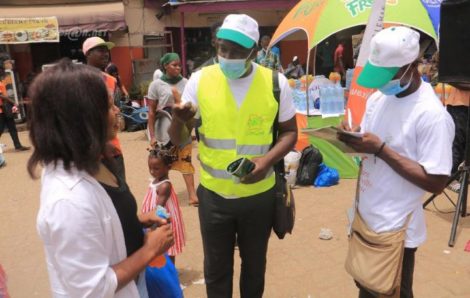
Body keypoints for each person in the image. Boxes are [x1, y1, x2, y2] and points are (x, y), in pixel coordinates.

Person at [168, 14, 297, 297]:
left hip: (259, 197)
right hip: (214, 199)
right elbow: (177, 141)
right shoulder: (199, 81)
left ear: (253, 51)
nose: (227, 56)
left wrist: (266, 162)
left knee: (254, 268)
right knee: (216, 271)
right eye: (222, 48)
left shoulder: (276, 83)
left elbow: (290, 133)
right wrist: (179, 121)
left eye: (237, 51)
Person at [28, 59, 174, 297]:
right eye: (108, 106)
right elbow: (93, 289)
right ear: (82, 118)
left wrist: (134, 221)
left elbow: (98, 224)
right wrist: (150, 250)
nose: (117, 111)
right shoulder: (68, 200)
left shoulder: (92, 158)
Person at [338, 26, 454, 298]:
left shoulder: (431, 115)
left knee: (391, 292)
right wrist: (352, 137)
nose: (379, 84)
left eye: (386, 76)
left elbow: (436, 182)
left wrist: (380, 149)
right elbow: (368, 142)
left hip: (397, 232)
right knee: (366, 288)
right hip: (366, 220)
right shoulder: (380, 98)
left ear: (411, 67)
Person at [147, 52, 198, 206]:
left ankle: (192, 195)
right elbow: (151, 111)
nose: (178, 67)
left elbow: (191, 107)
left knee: (186, 159)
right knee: (163, 163)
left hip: (182, 129)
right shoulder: (156, 85)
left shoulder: (186, 82)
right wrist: (153, 136)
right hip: (163, 130)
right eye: (174, 65)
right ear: (165, 66)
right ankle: (163, 193)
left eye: (179, 65)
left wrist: (191, 129)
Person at [83, 36, 126, 180]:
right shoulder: (77, 80)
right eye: (100, 50)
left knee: (120, 194)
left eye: (107, 51)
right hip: (88, 151)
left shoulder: (111, 80)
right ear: (88, 54)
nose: (106, 54)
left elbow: (114, 110)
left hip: (113, 149)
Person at [142, 146, 186, 264]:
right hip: (156, 218)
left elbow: (159, 209)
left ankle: (170, 273)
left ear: (168, 167)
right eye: (150, 168)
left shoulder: (164, 186)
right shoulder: (156, 179)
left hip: (163, 220)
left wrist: (153, 226)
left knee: (168, 249)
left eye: (156, 168)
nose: (152, 171)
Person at [445, 86, 470, 192]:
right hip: (460, 104)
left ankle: (463, 175)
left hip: (462, 104)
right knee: (457, 142)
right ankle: (450, 177)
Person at [0, 63, 29, 152]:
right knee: (1, 129)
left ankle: (18, 145)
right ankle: (18, 146)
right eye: (2, 71)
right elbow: (2, 96)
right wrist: (13, 102)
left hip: (5, 108)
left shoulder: (1, 82)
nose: (3, 72)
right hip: (1, 109)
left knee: (12, 127)